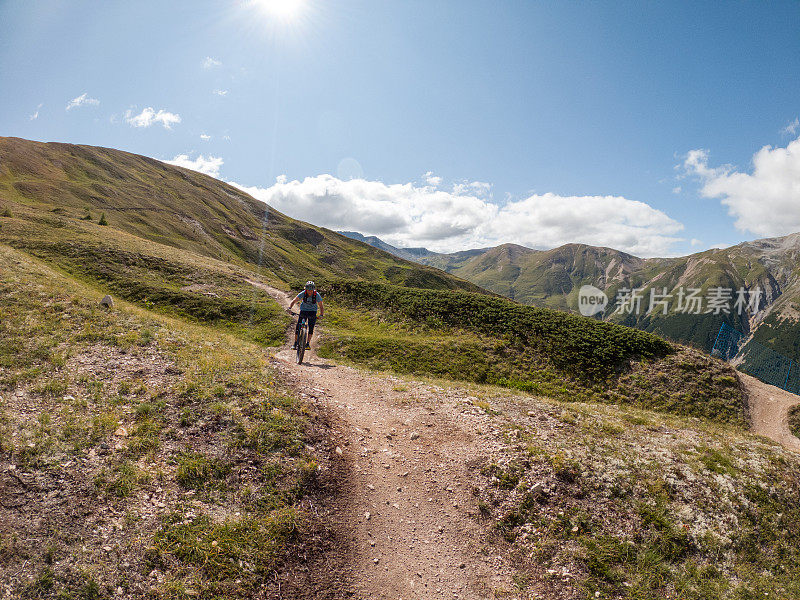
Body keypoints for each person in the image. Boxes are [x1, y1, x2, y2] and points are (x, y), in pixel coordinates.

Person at [289, 281, 324, 350]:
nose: (310, 291)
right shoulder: (303, 293)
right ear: (306, 289)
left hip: (313, 312)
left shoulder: (317, 295)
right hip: (303, 311)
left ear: (313, 289)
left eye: (311, 290)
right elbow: (294, 300)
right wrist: (289, 308)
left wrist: (321, 314)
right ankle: (295, 343)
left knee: (311, 328)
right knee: (298, 327)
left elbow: (321, 306)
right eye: (308, 290)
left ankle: (307, 343)